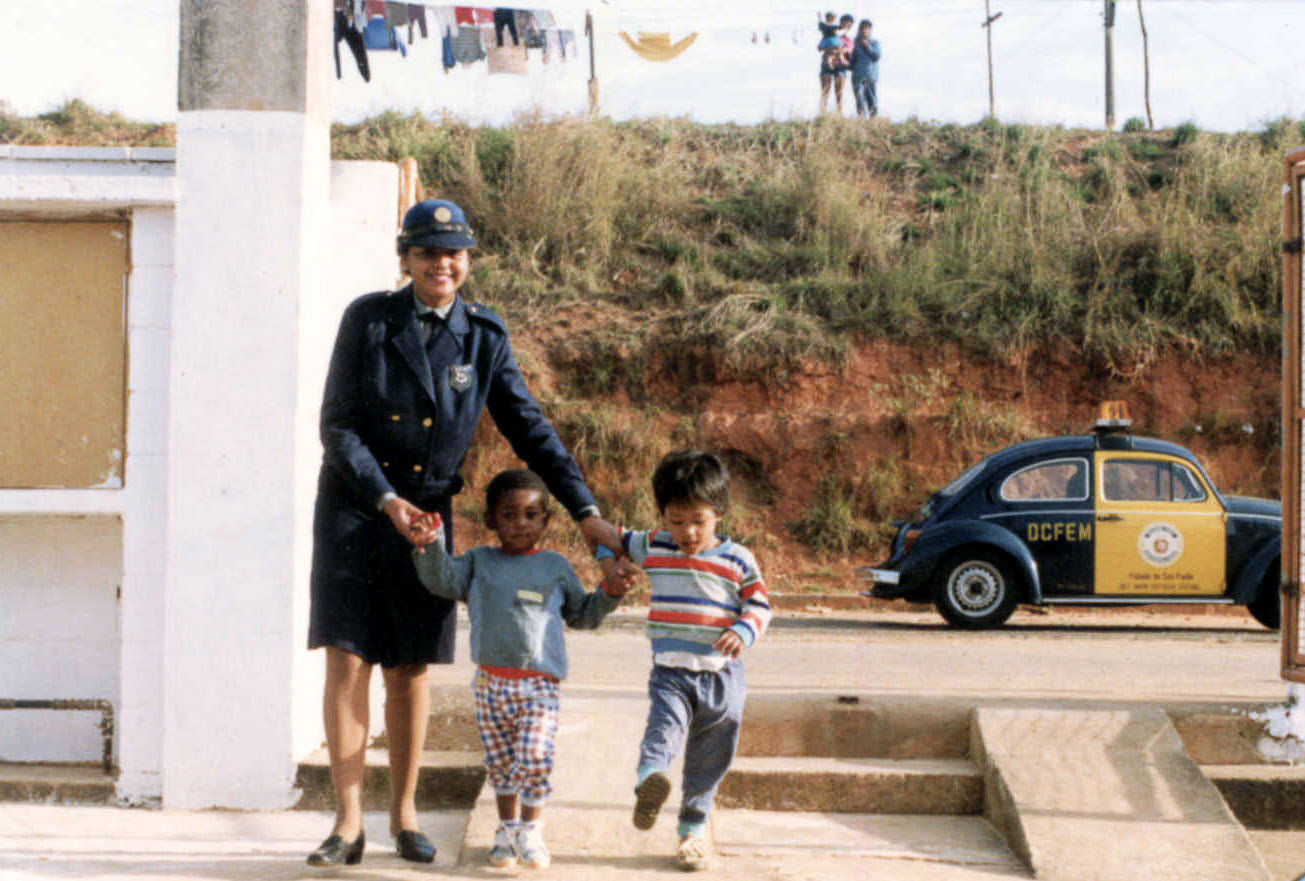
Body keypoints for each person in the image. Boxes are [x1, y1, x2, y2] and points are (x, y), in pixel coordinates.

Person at [306, 199, 622, 867]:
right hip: (358, 507)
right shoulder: (368, 318)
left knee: (410, 665)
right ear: (406, 260)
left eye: (452, 252)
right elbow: (336, 425)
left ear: (467, 260)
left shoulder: (482, 335)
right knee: (347, 658)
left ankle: (405, 815)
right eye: (426, 252)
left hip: (426, 519)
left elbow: (529, 427)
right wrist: (385, 498)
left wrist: (585, 508)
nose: (440, 263)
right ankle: (346, 823)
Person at [411, 469, 629, 869]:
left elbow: (581, 615)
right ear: (492, 519)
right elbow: (442, 579)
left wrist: (609, 594)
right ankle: (507, 830)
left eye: (531, 515)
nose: (520, 524)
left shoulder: (555, 567)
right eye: (509, 515)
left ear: (546, 521)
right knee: (501, 764)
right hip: (490, 684)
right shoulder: (479, 562)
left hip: (539, 686)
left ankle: (531, 829)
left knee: (533, 755)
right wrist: (429, 545)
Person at [598, 451, 772, 872]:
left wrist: (742, 630)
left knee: (712, 751)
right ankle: (650, 779)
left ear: (719, 513)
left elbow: (760, 605)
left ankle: (692, 830)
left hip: (721, 673)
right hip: (671, 671)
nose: (687, 531)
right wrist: (607, 557)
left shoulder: (737, 559)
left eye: (698, 520)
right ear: (662, 517)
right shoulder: (653, 543)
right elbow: (607, 534)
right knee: (664, 726)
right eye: (676, 521)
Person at [850, 19, 881, 119]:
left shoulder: (874, 43)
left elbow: (876, 56)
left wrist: (867, 46)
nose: (864, 31)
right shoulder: (854, 44)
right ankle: (861, 120)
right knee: (860, 100)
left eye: (867, 28)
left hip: (871, 77)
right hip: (858, 77)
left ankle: (874, 121)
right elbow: (851, 62)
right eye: (863, 28)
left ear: (870, 30)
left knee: (872, 101)